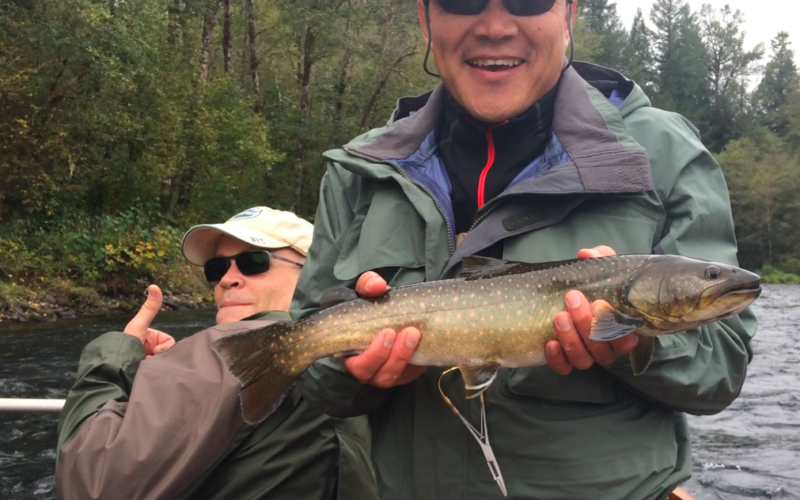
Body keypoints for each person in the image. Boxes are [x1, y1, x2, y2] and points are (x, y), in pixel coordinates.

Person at [292, 1, 758, 499]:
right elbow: (309, 372)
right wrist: (356, 375)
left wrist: (626, 345)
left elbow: (721, 370)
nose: (495, 27)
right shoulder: (359, 167)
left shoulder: (666, 154)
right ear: (427, 19)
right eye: (463, 0)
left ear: (570, 13)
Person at [56, 207, 378, 500]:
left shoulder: (227, 355)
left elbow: (89, 484)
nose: (226, 279)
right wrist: (167, 381)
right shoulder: (362, 357)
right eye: (217, 267)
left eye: (254, 262)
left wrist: (114, 362)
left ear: (311, 275)